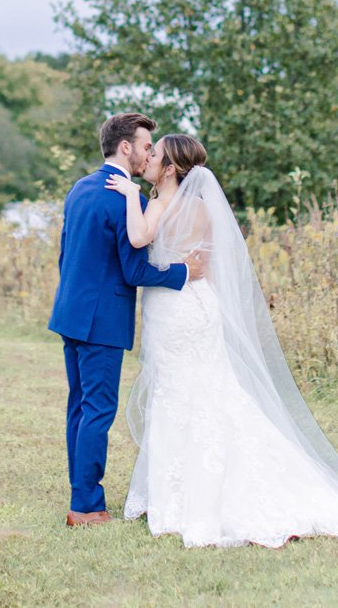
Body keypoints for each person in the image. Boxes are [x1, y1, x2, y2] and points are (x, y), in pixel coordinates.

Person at [105, 134, 338, 547]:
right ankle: (191, 490)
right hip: (195, 306)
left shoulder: (159, 205)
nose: (146, 158)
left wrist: (131, 195)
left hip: (176, 311)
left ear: (169, 169)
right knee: (201, 392)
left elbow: (137, 239)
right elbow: (208, 265)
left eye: (155, 154)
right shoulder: (198, 206)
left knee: (180, 395)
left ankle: (189, 499)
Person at [48, 114, 204, 527]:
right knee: (98, 411)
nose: (149, 154)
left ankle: (82, 497)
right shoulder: (123, 198)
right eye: (146, 146)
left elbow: (66, 254)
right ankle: (86, 507)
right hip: (101, 321)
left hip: (71, 313)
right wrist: (183, 272)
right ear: (125, 147)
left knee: (80, 408)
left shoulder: (80, 188)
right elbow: (134, 270)